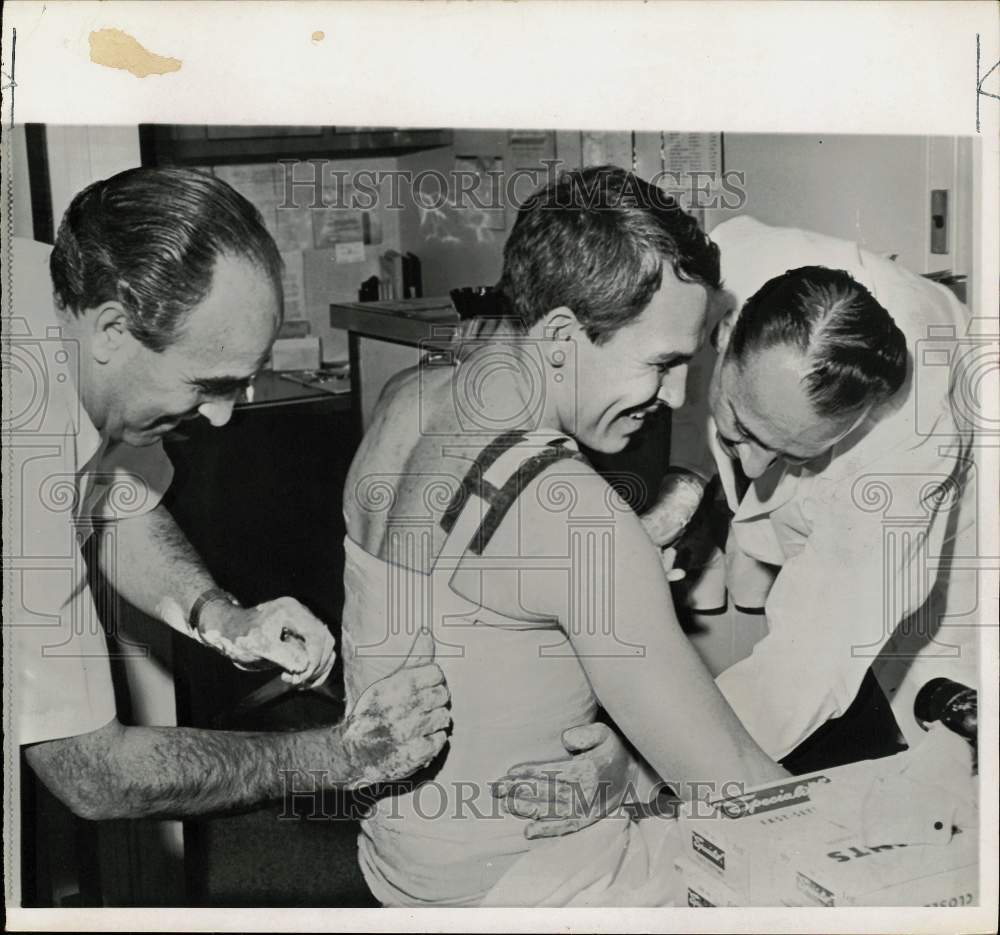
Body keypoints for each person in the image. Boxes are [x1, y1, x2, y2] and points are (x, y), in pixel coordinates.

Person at [339, 166, 787, 908]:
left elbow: (464, 614)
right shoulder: (575, 519)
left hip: (403, 868)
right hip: (536, 886)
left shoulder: (404, 401)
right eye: (663, 364)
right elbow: (734, 784)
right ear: (557, 336)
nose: (677, 397)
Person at [2, 168, 451, 831]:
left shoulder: (58, 291)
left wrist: (221, 616)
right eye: (207, 383)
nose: (218, 418)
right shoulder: (21, 445)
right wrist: (336, 757)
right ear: (110, 331)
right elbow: (92, 770)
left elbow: (115, 495)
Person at [502, 216, 979, 832]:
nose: (751, 463)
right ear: (723, 332)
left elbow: (811, 663)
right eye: (744, 426)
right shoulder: (705, 276)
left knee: (919, 755)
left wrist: (644, 769)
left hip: (960, 528)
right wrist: (684, 490)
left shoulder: (912, 439)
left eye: (790, 452)